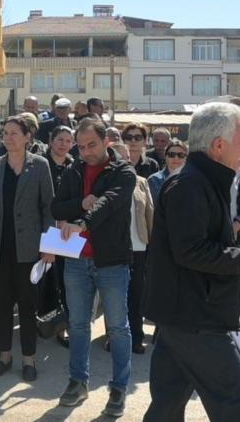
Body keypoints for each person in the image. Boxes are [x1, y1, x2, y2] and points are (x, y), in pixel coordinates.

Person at [143, 102, 240, 421]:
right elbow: (191, 250)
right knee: (236, 400)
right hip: (196, 317)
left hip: (184, 313)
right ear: (219, 145)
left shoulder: (205, 180)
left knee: (167, 405)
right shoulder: (189, 185)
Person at [51, 118, 136, 418]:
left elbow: (110, 202)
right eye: (82, 146)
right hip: (75, 260)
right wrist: (81, 204)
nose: (86, 151)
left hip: (111, 261)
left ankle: (119, 388)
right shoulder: (73, 169)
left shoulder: (123, 171)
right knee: (77, 325)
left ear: (106, 142)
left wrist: (84, 219)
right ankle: (77, 382)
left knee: (117, 328)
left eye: (92, 145)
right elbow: (57, 208)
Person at [0, 116, 54, 382]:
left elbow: (47, 208)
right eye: (5, 133)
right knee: (2, 305)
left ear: (27, 136)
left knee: (28, 306)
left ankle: (28, 359)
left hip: (29, 250)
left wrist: (48, 246)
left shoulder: (40, 166)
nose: (8, 138)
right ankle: (5, 355)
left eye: (14, 133)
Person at [109, 142, 154, 356]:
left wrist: (152, 244)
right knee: (115, 296)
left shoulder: (141, 182)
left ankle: (136, 337)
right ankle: (114, 338)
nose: (124, 160)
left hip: (138, 247)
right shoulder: (105, 183)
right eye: (119, 157)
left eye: (127, 156)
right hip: (114, 248)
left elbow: (149, 215)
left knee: (136, 295)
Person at [44, 125, 75, 347]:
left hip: (66, 230)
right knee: (45, 279)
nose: (63, 144)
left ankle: (64, 326)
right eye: (60, 139)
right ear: (51, 141)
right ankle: (45, 321)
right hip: (45, 228)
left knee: (67, 279)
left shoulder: (75, 167)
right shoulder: (39, 163)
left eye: (68, 140)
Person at [147, 140, 187, 204]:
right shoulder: (154, 180)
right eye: (172, 154)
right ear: (165, 156)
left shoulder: (192, 180)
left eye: (181, 155)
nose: (176, 158)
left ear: (186, 158)